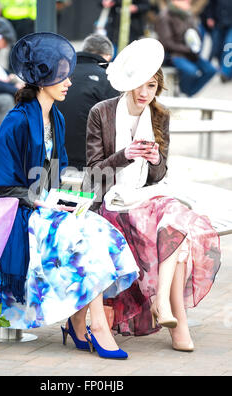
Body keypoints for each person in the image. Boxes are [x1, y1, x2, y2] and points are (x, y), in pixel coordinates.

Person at [0, 32, 139, 360]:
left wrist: (64, 199)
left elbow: (52, 175)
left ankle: (80, 321)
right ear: (44, 79)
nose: (69, 81)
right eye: (63, 75)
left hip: (41, 206)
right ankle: (94, 327)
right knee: (86, 239)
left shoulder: (54, 117)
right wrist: (40, 201)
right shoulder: (16, 120)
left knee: (101, 231)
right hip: (16, 211)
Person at [85, 38, 221, 351]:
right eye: (140, 86)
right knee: (176, 234)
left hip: (149, 197)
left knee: (175, 218)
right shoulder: (102, 113)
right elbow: (94, 172)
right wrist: (125, 154)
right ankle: (178, 325)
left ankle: (162, 301)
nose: (145, 93)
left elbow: (160, 176)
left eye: (152, 85)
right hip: (114, 201)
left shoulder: (160, 116)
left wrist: (156, 160)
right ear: (128, 85)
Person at [57, 33, 118, 171]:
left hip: (53, 157)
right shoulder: (108, 80)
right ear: (107, 57)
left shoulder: (60, 73)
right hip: (88, 162)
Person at [155, 0, 216, 96]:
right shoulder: (164, 16)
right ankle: (185, 93)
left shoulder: (188, 15)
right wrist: (188, 49)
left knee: (211, 70)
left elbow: (195, 34)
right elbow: (166, 43)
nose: (188, 1)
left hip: (190, 54)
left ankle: (188, 94)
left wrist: (195, 43)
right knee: (191, 71)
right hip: (174, 55)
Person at [204, 0, 232, 82]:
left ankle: (225, 73)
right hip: (218, 22)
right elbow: (210, 4)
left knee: (229, 46)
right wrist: (210, 17)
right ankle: (225, 69)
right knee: (217, 48)